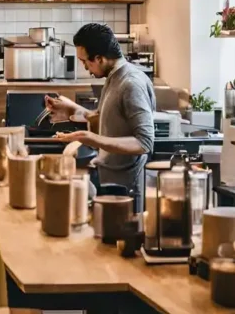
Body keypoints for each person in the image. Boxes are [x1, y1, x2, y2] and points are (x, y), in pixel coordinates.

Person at [47, 23, 155, 209]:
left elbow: (145, 143)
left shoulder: (131, 84)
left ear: (99, 58)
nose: (85, 67)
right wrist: (72, 110)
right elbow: (109, 122)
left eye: (85, 61)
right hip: (109, 183)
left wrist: (91, 138)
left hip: (126, 192)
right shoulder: (114, 77)